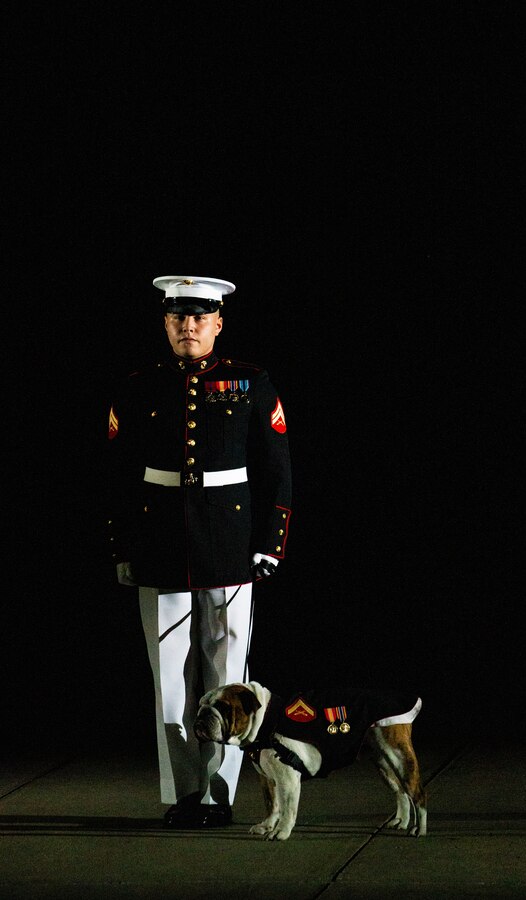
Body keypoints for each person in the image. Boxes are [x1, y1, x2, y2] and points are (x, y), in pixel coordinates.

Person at [106, 275, 292, 827]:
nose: (189, 326)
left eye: (200, 316)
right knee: (170, 681)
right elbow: (117, 475)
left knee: (227, 679)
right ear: (165, 323)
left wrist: (269, 545)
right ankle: (186, 795)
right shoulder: (138, 386)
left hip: (231, 548)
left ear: (217, 322)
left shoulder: (249, 382)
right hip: (159, 544)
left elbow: (276, 470)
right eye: (178, 317)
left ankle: (220, 794)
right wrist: (123, 546)